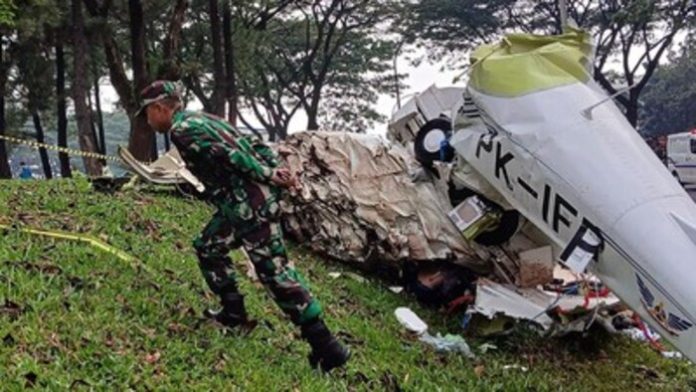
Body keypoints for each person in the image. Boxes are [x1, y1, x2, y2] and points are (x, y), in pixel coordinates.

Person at [136, 80, 349, 372]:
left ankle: (327, 347)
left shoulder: (182, 130)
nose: (147, 121)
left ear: (160, 108)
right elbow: (251, 142)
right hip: (239, 204)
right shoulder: (204, 118)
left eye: (147, 113)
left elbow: (232, 156)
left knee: (274, 271)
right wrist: (276, 167)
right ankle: (233, 313)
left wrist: (270, 173)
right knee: (209, 246)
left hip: (251, 205)